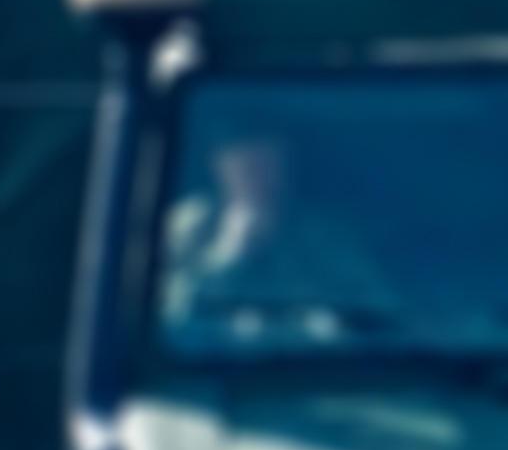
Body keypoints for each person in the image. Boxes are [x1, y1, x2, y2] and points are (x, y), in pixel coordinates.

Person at [162, 121, 402, 340]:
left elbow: (376, 308)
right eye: (249, 169)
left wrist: (331, 319)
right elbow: (167, 316)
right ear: (221, 168)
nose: (261, 181)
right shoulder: (186, 228)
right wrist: (228, 255)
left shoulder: (324, 235)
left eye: (270, 167)